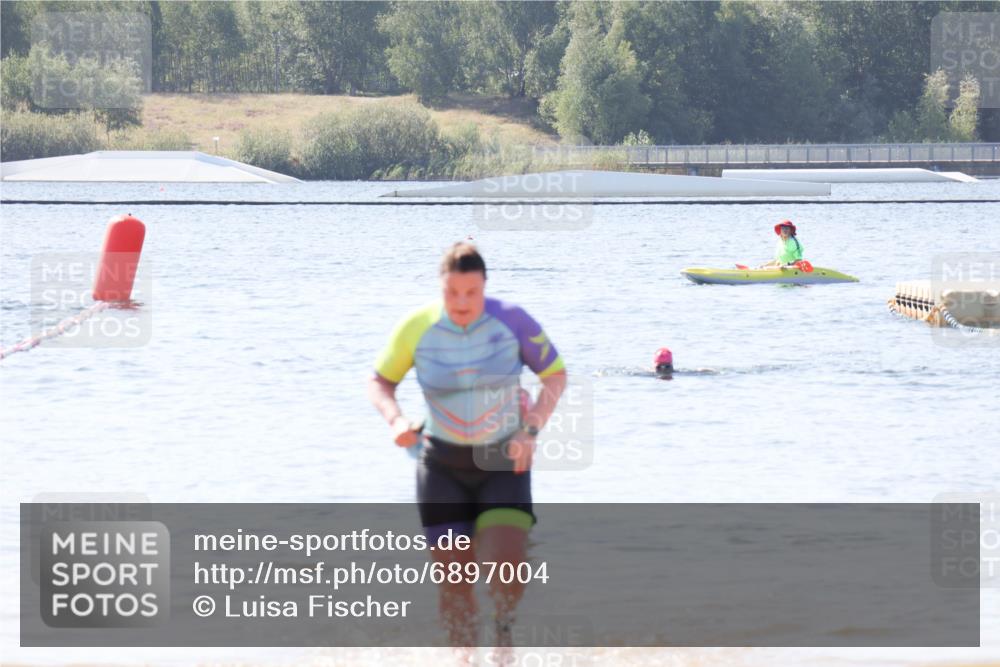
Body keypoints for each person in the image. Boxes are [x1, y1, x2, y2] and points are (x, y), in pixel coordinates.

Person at [367, 242, 567, 650]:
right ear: (441, 288)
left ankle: (504, 641)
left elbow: (556, 375)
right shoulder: (416, 326)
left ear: (484, 287)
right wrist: (396, 420)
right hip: (441, 464)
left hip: (502, 462)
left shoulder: (512, 320)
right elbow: (379, 381)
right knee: (454, 583)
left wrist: (531, 430)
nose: (461, 302)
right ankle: (464, 658)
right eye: (451, 292)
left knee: (508, 569)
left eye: (471, 293)